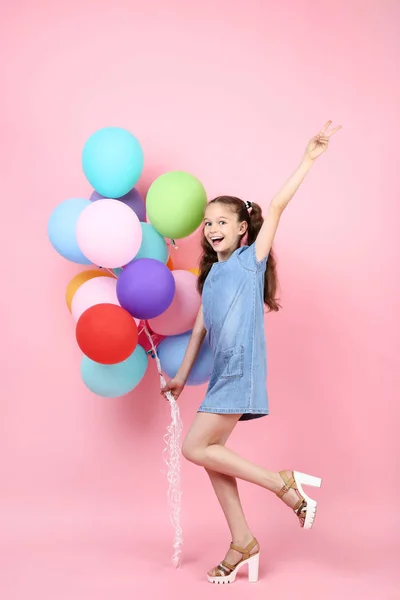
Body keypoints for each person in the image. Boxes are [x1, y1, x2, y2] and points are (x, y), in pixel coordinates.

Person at [161, 120, 341, 584]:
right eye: (208, 223)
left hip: (242, 370)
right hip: (222, 373)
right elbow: (200, 329)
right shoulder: (212, 276)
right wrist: (181, 377)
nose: (213, 228)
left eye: (223, 221)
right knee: (210, 456)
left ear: (243, 230)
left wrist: (307, 159)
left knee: (194, 448)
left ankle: (283, 485)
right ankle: (243, 540)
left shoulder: (249, 261)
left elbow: (278, 204)